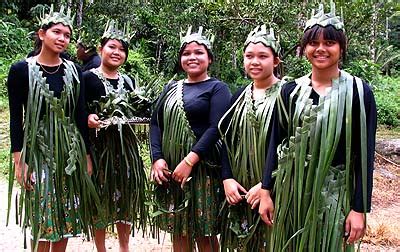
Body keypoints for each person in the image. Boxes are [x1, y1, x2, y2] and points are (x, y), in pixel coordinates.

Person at [258, 3, 377, 251]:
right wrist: (266, 192)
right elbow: (275, 143)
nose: (320, 49)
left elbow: (364, 156)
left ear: (341, 48)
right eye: (313, 43)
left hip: (334, 198)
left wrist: (359, 209)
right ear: (304, 49)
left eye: (329, 43)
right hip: (292, 195)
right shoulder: (289, 92)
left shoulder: (358, 92)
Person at [7, 5, 97, 252]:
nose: (62, 39)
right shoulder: (21, 70)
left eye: (67, 35)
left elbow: (79, 116)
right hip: (37, 150)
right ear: (41, 33)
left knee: (66, 216)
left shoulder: (74, 72)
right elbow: (17, 119)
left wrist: (86, 156)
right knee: (42, 216)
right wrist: (19, 161)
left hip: (69, 151)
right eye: (57, 32)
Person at [150, 26, 231, 252]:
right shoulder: (170, 88)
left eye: (198, 52)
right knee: (179, 230)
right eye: (186, 53)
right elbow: (156, 123)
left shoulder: (218, 88)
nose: (192, 57)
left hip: (202, 168)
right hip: (173, 171)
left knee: (204, 233)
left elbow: (216, 128)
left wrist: (190, 161)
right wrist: (157, 158)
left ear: (210, 58)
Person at [218, 25, 283, 251]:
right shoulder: (238, 97)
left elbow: (292, 147)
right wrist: (227, 178)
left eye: (263, 56)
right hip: (241, 191)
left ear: (276, 61)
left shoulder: (289, 95)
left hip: (276, 191)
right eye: (249, 56)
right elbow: (225, 140)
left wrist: (267, 184)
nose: (255, 62)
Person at [84, 20, 147, 252]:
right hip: (100, 151)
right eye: (112, 47)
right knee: (99, 200)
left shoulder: (128, 81)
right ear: (101, 49)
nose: (116, 53)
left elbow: (136, 112)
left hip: (126, 150)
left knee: (126, 200)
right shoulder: (88, 78)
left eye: (122, 49)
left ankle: (124, 247)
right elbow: (78, 112)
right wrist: (88, 119)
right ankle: (100, 248)